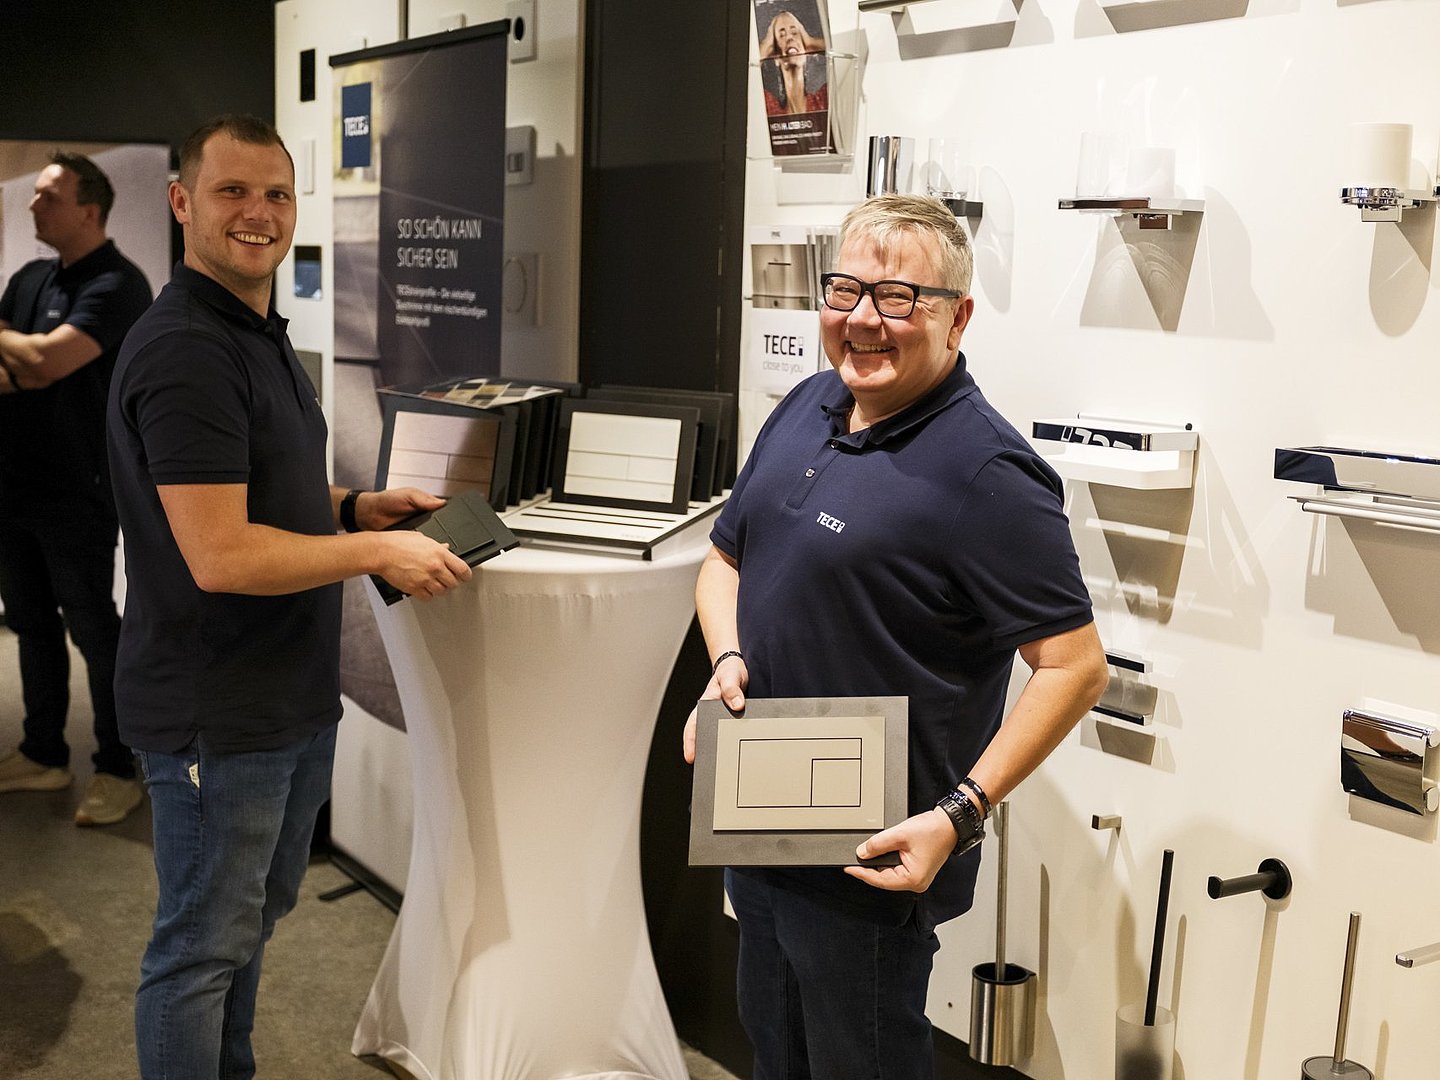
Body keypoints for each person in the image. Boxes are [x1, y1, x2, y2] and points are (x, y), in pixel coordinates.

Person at [684, 194, 1108, 1079]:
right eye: (845, 290)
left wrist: (962, 812)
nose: (864, 320)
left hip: (873, 859)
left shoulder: (988, 472)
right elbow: (724, 560)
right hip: (758, 819)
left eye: (899, 298)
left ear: (958, 317)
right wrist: (725, 662)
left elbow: (1075, 667)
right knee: (774, 1051)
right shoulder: (809, 402)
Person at [107, 114, 473, 1080]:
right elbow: (221, 554)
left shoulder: (254, 332)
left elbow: (257, 489)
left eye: (276, 193)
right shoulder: (188, 350)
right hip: (217, 710)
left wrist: (355, 506)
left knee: (246, 925)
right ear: (182, 202)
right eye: (232, 191)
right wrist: (376, 551)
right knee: (200, 949)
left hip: (283, 699)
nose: (258, 213)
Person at [0, 152, 154, 825]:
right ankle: (43, 752)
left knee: (92, 626)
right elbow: (32, 367)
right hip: (14, 482)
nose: (34, 204)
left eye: (49, 196)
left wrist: (28, 357)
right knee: (30, 622)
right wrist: (30, 363)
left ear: (89, 210)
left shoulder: (119, 284)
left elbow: (49, 361)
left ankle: (118, 767)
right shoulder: (30, 277)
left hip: (78, 488)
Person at [759, 10, 828, 116]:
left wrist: (811, 43)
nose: (789, 38)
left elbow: (847, 48)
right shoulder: (766, 106)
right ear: (776, 58)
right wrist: (767, 44)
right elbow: (741, 79)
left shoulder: (824, 100)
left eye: (795, 33)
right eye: (782, 35)